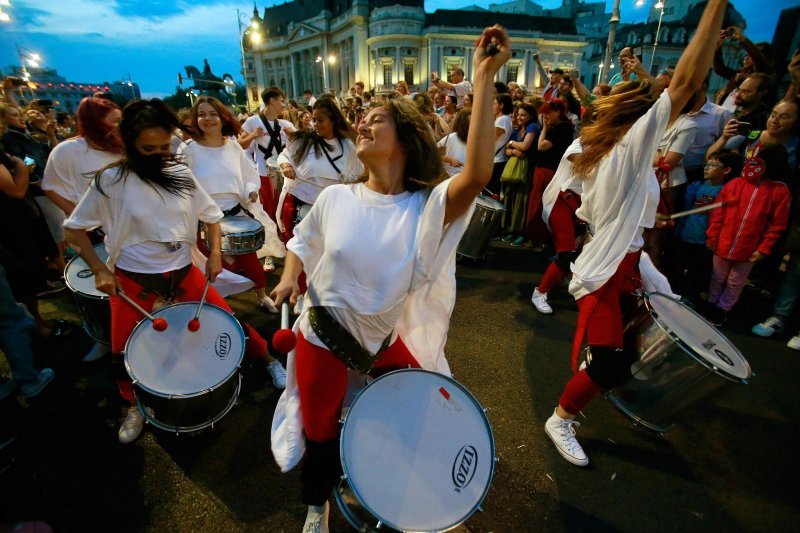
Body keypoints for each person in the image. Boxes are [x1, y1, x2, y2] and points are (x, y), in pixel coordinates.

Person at [269, 26, 510, 532]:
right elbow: (299, 244)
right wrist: (291, 278)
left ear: (402, 138)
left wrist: (486, 77)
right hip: (322, 336)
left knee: (416, 414)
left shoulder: (426, 205)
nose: (362, 123)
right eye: (361, 117)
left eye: (375, 119)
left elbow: (478, 174)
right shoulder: (335, 198)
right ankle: (319, 504)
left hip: (380, 337)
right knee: (318, 433)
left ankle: (417, 496)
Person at [543, 0, 728, 467]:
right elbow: (685, 82)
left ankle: (592, 373)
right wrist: (715, 7)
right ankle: (560, 418)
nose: (676, 104)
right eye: (664, 104)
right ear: (646, 121)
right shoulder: (629, 148)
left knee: (637, 348)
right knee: (611, 363)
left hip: (629, 262)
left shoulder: (622, 154)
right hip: (606, 272)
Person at [63, 99, 285, 445]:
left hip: (182, 270)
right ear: (129, 143)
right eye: (148, 148)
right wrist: (98, 269)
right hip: (131, 277)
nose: (159, 154)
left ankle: (270, 360)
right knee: (123, 347)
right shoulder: (111, 179)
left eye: (164, 146)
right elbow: (74, 230)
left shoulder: (180, 173)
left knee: (226, 319)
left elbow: (211, 216)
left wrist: (212, 256)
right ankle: (132, 404)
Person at [181, 97, 285, 312]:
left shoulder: (234, 148)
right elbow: (180, 184)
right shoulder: (188, 149)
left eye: (212, 113)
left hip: (236, 216)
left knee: (251, 264)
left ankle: (262, 296)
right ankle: (218, 307)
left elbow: (249, 176)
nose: (207, 118)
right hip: (203, 220)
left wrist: (250, 191)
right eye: (202, 114)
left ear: (222, 118)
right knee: (209, 267)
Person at [41, 96, 124, 363]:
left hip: (125, 230)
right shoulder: (68, 151)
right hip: (91, 233)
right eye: (114, 121)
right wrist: (78, 213)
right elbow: (50, 186)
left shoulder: (122, 147)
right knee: (96, 292)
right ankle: (102, 340)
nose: (119, 126)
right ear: (95, 122)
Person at [275, 97, 363, 314]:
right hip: (300, 203)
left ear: (333, 120)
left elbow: (358, 173)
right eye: (313, 120)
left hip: (333, 208)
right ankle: (303, 293)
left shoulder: (348, 145)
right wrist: (286, 165)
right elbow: (284, 156)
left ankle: (320, 293)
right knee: (302, 251)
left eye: (320, 120)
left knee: (327, 254)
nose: (315, 125)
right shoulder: (304, 140)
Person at [704, 143, 791, 326]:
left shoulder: (779, 191)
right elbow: (718, 213)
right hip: (722, 243)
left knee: (736, 282)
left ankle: (721, 310)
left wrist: (763, 248)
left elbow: (777, 225)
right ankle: (711, 305)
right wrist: (713, 236)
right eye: (750, 161)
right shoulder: (735, 184)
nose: (751, 166)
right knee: (717, 277)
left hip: (749, 249)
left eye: (757, 162)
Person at [670, 150, 740, 303]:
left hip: (704, 241)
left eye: (713, 165)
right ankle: (672, 292)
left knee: (696, 271)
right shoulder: (696, 186)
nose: (706, 167)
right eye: (706, 164)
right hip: (685, 234)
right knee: (678, 266)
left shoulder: (726, 193)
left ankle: (690, 297)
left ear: (726, 170)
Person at [239, 87, 296, 223]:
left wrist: (293, 137)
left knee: (285, 209)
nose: (284, 105)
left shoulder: (285, 124)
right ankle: (275, 240)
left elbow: (300, 147)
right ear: (272, 101)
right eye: (281, 101)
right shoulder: (253, 122)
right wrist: (252, 135)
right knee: (269, 211)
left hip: (284, 173)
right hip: (264, 175)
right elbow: (240, 145)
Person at [526, 100, 574, 245]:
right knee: (536, 202)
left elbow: (541, 146)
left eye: (548, 113)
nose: (545, 117)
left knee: (543, 203)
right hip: (542, 169)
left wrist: (545, 128)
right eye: (543, 114)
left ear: (558, 112)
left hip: (550, 170)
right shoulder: (556, 127)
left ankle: (542, 237)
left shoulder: (563, 127)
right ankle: (534, 236)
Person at [501, 103, 539, 246]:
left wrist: (512, 144)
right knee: (510, 198)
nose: (519, 117)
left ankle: (520, 233)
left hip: (526, 170)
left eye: (523, 115)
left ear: (530, 116)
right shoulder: (517, 130)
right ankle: (510, 230)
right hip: (513, 170)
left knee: (521, 201)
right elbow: (506, 150)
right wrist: (514, 151)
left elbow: (525, 146)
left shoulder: (533, 127)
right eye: (518, 114)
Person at [714, 26, 775, 110]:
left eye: (750, 55)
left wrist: (742, 39)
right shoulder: (739, 75)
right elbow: (720, 69)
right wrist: (717, 48)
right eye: (746, 54)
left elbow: (759, 59)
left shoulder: (763, 76)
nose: (746, 58)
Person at [488, 93, 514, 194]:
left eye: (494, 103)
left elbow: (491, 139)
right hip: (496, 159)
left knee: (491, 191)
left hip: (497, 160)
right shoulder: (503, 119)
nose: (492, 106)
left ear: (501, 105)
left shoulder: (502, 119)